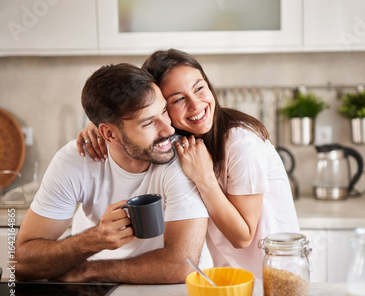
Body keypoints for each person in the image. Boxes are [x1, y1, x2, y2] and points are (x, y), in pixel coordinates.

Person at [78, 49, 300, 279]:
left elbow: (242, 237)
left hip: (275, 281)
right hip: (233, 283)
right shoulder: (180, 142)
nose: (196, 105)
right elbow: (130, 114)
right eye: (179, 99)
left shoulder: (241, 144)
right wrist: (100, 126)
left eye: (199, 88)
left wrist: (204, 179)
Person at [15, 63, 209, 283]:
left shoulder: (182, 157)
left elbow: (181, 265)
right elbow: (21, 263)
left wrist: (88, 271)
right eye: (148, 123)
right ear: (108, 133)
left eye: (164, 111)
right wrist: (93, 240)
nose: (169, 129)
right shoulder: (75, 160)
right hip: (103, 293)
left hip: (176, 295)